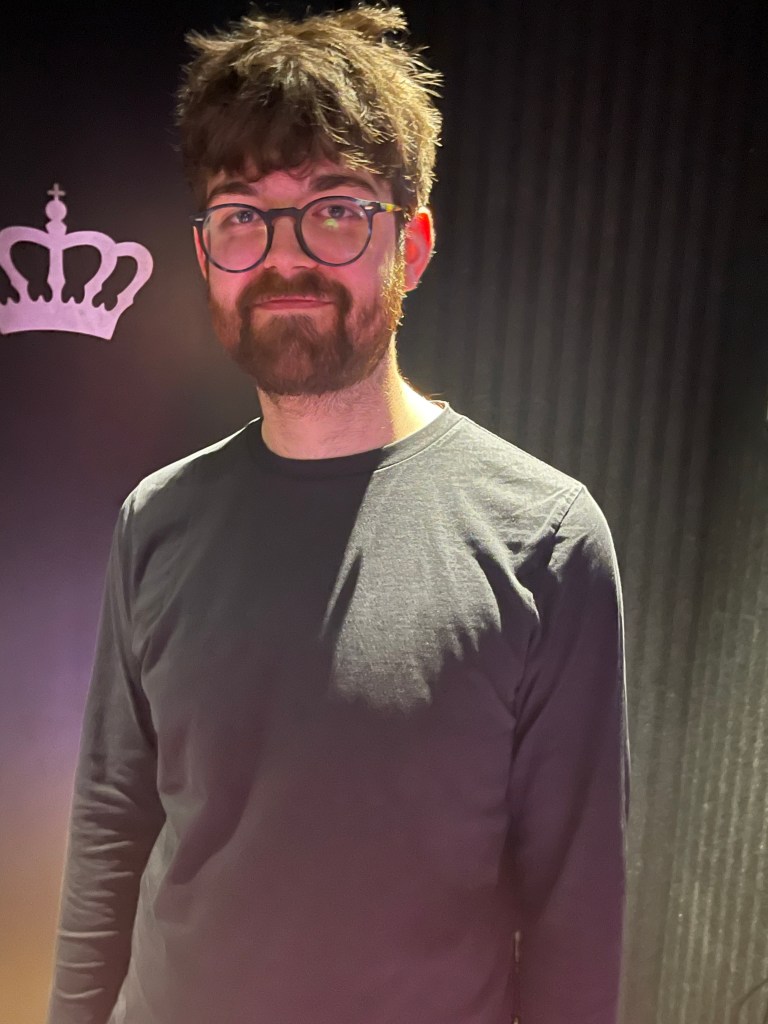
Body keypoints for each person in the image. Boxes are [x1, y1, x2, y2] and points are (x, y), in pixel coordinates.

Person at [46, 5, 630, 1024]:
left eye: (334, 209)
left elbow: (576, 915)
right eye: (242, 215)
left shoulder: (545, 541)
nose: (285, 258)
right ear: (206, 255)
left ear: (412, 243)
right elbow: (110, 833)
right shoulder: (156, 520)